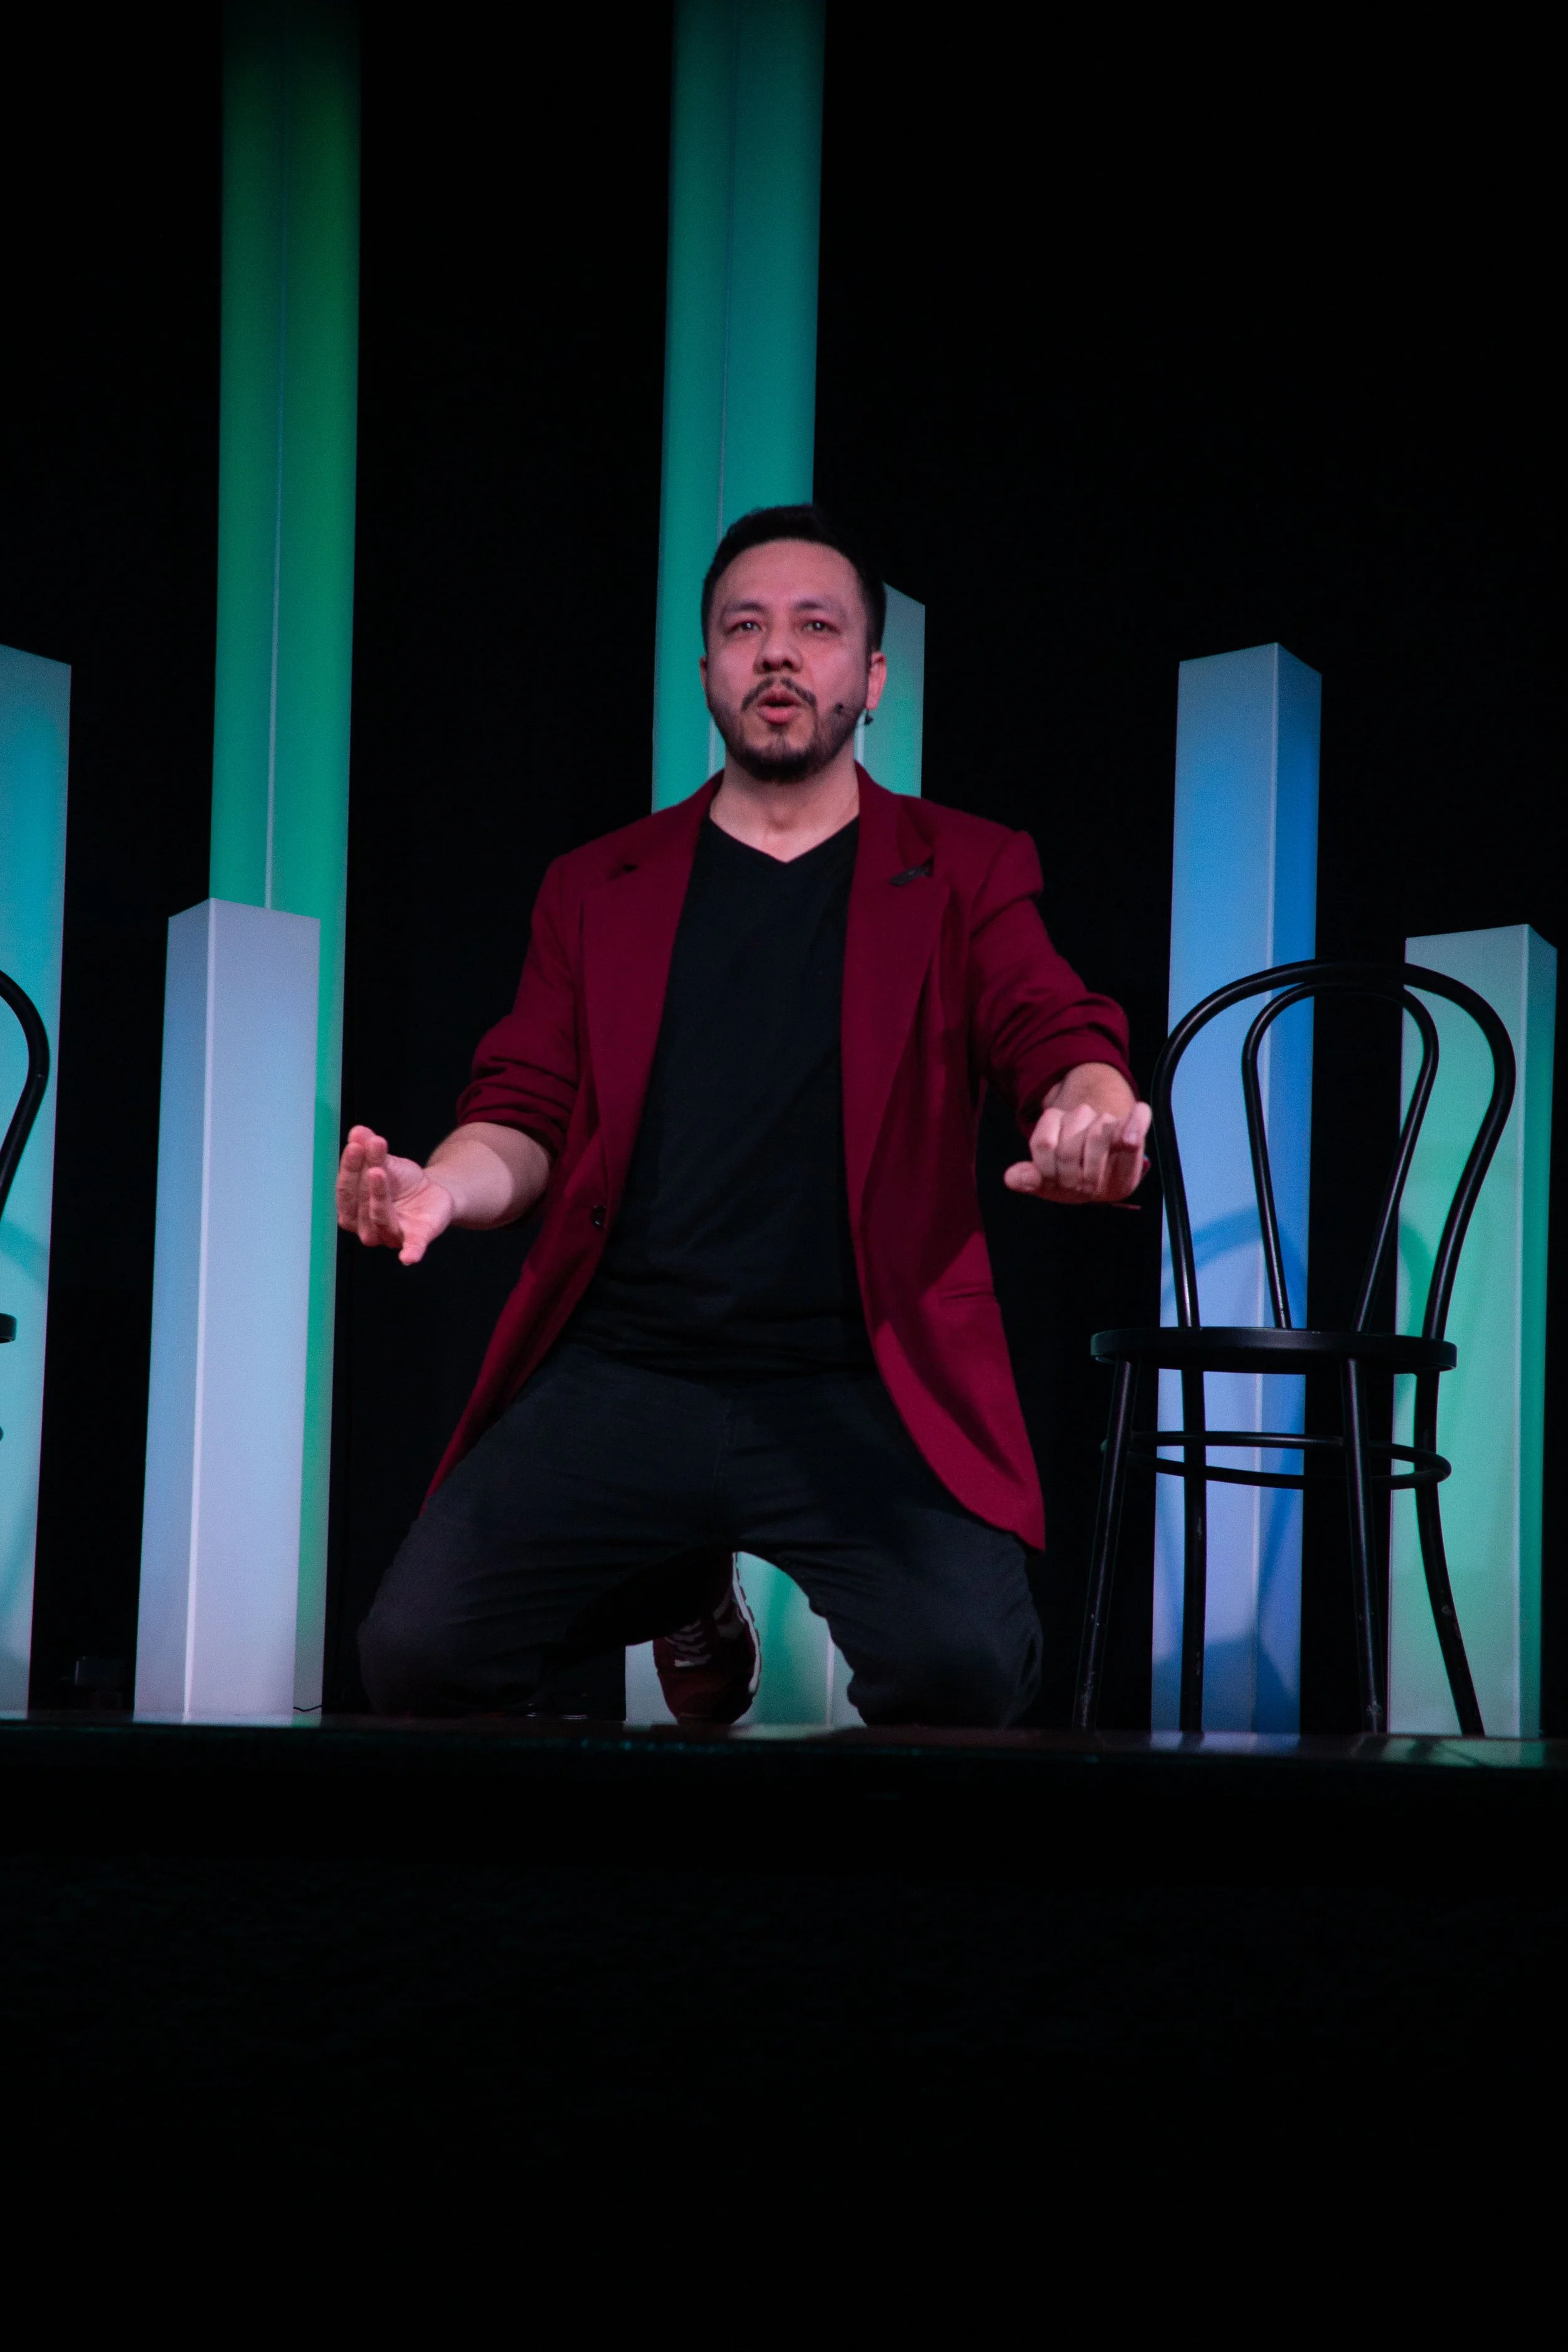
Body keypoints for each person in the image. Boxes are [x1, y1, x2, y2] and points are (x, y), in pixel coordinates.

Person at [341, 506, 1150, 1726]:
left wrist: (1091, 1112)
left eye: (816, 628)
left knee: (963, 1673)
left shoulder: (964, 867)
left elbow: (1054, 1029)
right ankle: (684, 1586)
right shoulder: (596, 884)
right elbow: (524, 1107)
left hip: (860, 1375)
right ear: (708, 670)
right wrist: (441, 1188)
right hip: (629, 1366)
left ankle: (706, 1590)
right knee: (415, 1655)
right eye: (744, 627)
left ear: (871, 675)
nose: (777, 651)